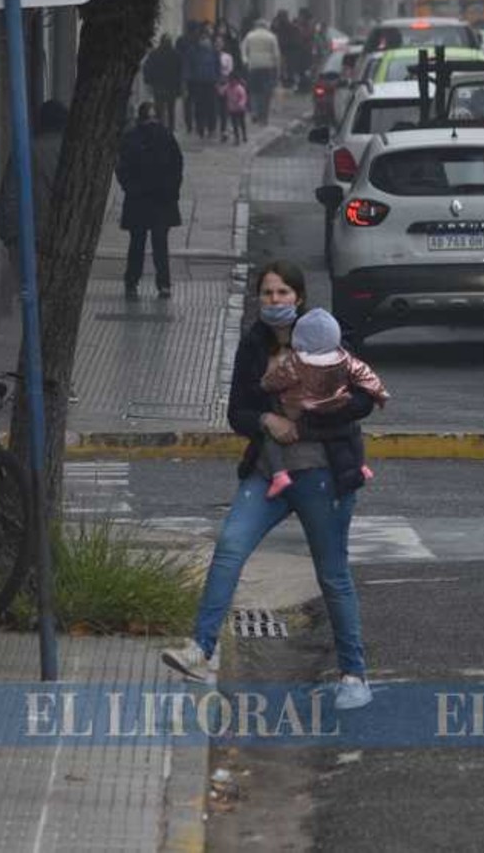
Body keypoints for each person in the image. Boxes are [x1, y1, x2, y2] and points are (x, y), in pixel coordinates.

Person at [162, 261, 377, 710]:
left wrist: (315, 408)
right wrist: (266, 419)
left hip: (323, 474)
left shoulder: (329, 337)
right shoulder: (253, 344)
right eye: (267, 294)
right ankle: (201, 649)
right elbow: (237, 410)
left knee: (332, 574)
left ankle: (354, 674)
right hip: (267, 472)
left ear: (299, 297)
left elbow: (363, 401)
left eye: (283, 293)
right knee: (230, 546)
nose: (275, 301)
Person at [259, 308, 388, 498]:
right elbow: (366, 375)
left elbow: (277, 379)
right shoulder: (345, 359)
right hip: (338, 409)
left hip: (305, 415)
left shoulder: (296, 362)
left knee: (270, 437)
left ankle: (279, 475)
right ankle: (361, 465)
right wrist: (380, 395)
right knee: (354, 432)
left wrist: (265, 384)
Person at [114, 103, 183, 301]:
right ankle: (163, 285)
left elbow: (121, 168)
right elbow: (177, 167)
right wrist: (172, 192)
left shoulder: (131, 138)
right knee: (160, 244)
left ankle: (131, 282)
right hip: (162, 200)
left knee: (137, 243)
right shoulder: (167, 136)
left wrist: (130, 188)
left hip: (138, 200)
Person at [0, 99, 67, 263]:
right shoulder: (74, 153)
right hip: (65, 239)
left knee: (29, 287)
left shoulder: (25, 151)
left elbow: (8, 198)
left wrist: (10, 237)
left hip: (30, 238)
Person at [241, 19, 281, 126]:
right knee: (266, 93)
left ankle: (254, 111)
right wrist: (277, 67)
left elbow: (243, 50)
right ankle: (263, 116)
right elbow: (276, 54)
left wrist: (246, 61)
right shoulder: (271, 37)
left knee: (254, 91)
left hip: (253, 65)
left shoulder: (250, 36)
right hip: (268, 66)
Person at [142, 35, 183, 133]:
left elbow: (147, 68)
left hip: (159, 85)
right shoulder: (176, 55)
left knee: (160, 108)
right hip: (171, 86)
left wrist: (148, 81)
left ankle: (160, 127)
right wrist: (179, 86)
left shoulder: (155, 54)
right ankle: (170, 128)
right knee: (170, 109)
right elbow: (180, 72)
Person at [185, 33, 220, 140]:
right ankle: (202, 128)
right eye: (203, 39)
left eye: (206, 39)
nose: (205, 42)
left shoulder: (213, 52)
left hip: (209, 82)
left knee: (210, 107)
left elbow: (217, 66)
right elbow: (188, 67)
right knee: (201, 106)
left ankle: (210, 128)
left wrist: (217, 78)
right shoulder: (193, 51)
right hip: (199, 82)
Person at [224, 73, 249, 145]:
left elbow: (243, 97)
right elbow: (222, 92)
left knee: (242, 123)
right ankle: (237, 138)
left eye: (233, 80)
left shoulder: (239, 88)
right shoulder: (228, 87)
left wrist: (241, 104)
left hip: (240, 109)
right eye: (230, 80)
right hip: (232, 109)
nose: (231, 82)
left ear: (237, 81)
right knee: (234, 124)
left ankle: (244, 135)